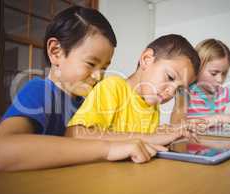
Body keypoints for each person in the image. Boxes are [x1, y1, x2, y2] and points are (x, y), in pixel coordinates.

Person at [0, 6, 166, 172]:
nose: (98, 76)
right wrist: (107, 149)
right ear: (56, 52)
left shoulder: (89, 102)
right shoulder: (39, 91)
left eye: (104, 68)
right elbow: (2, 150)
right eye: (91, 64)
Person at [65, 34, 200, 145]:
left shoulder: (152, 106)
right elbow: (75, 134)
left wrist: (169, 132)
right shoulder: (113, 87)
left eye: (178, 89)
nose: (171, 92)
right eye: (170, 77)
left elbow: (143, 138)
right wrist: (150, 139)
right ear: (146, 60)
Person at [170, 38, 230, 129]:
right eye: (214, 73)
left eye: (224, 73)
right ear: (197, 67)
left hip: (216, 145)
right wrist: (218, 118)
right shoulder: (184, 93)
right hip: (192, 147)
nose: (220, 79)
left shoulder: (223, 93)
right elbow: (176, 125)